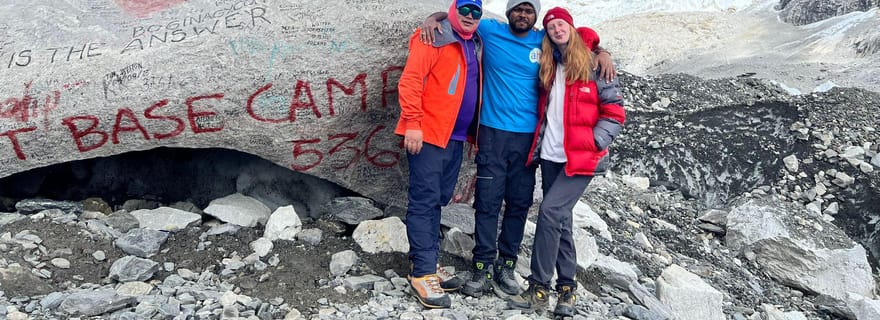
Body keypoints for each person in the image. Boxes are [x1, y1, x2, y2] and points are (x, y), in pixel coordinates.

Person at [419, 0, 615, 299]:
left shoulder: (543, 39)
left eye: (529, 11)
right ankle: (482, 265)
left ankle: (506, 265)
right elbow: (460, 18)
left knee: (519, 203)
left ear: (535, 17)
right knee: (487, 201)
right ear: (509, 12)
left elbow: (580, 34)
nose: (523, 15)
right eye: (518, 9)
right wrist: (435, 17)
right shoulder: (490, 29)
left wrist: (602, 52)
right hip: (492, 133)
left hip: (529, 139)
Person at [507, 7, 625, 317]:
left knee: (548, 212)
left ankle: (538, 287)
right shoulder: (549, 65)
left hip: (581, 158)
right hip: (550, 155)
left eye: (562, 24)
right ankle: (567, 289)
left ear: (572, 28)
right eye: (552, 26)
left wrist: (594, 142)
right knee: (561, 221)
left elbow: (614, 112)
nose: (557, 30)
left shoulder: (592, 63)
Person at [394, 0, 484, 309]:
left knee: (439, 199)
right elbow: (410, 80)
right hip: (429, 135)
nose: (470, 16)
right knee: (425, 199)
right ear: (453, 9)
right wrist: (413, 124)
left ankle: (426, 263)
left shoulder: (474, 41)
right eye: (464, 9)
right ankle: (422, 273)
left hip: (455, 138)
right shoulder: (433, 36)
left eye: (476, 11)